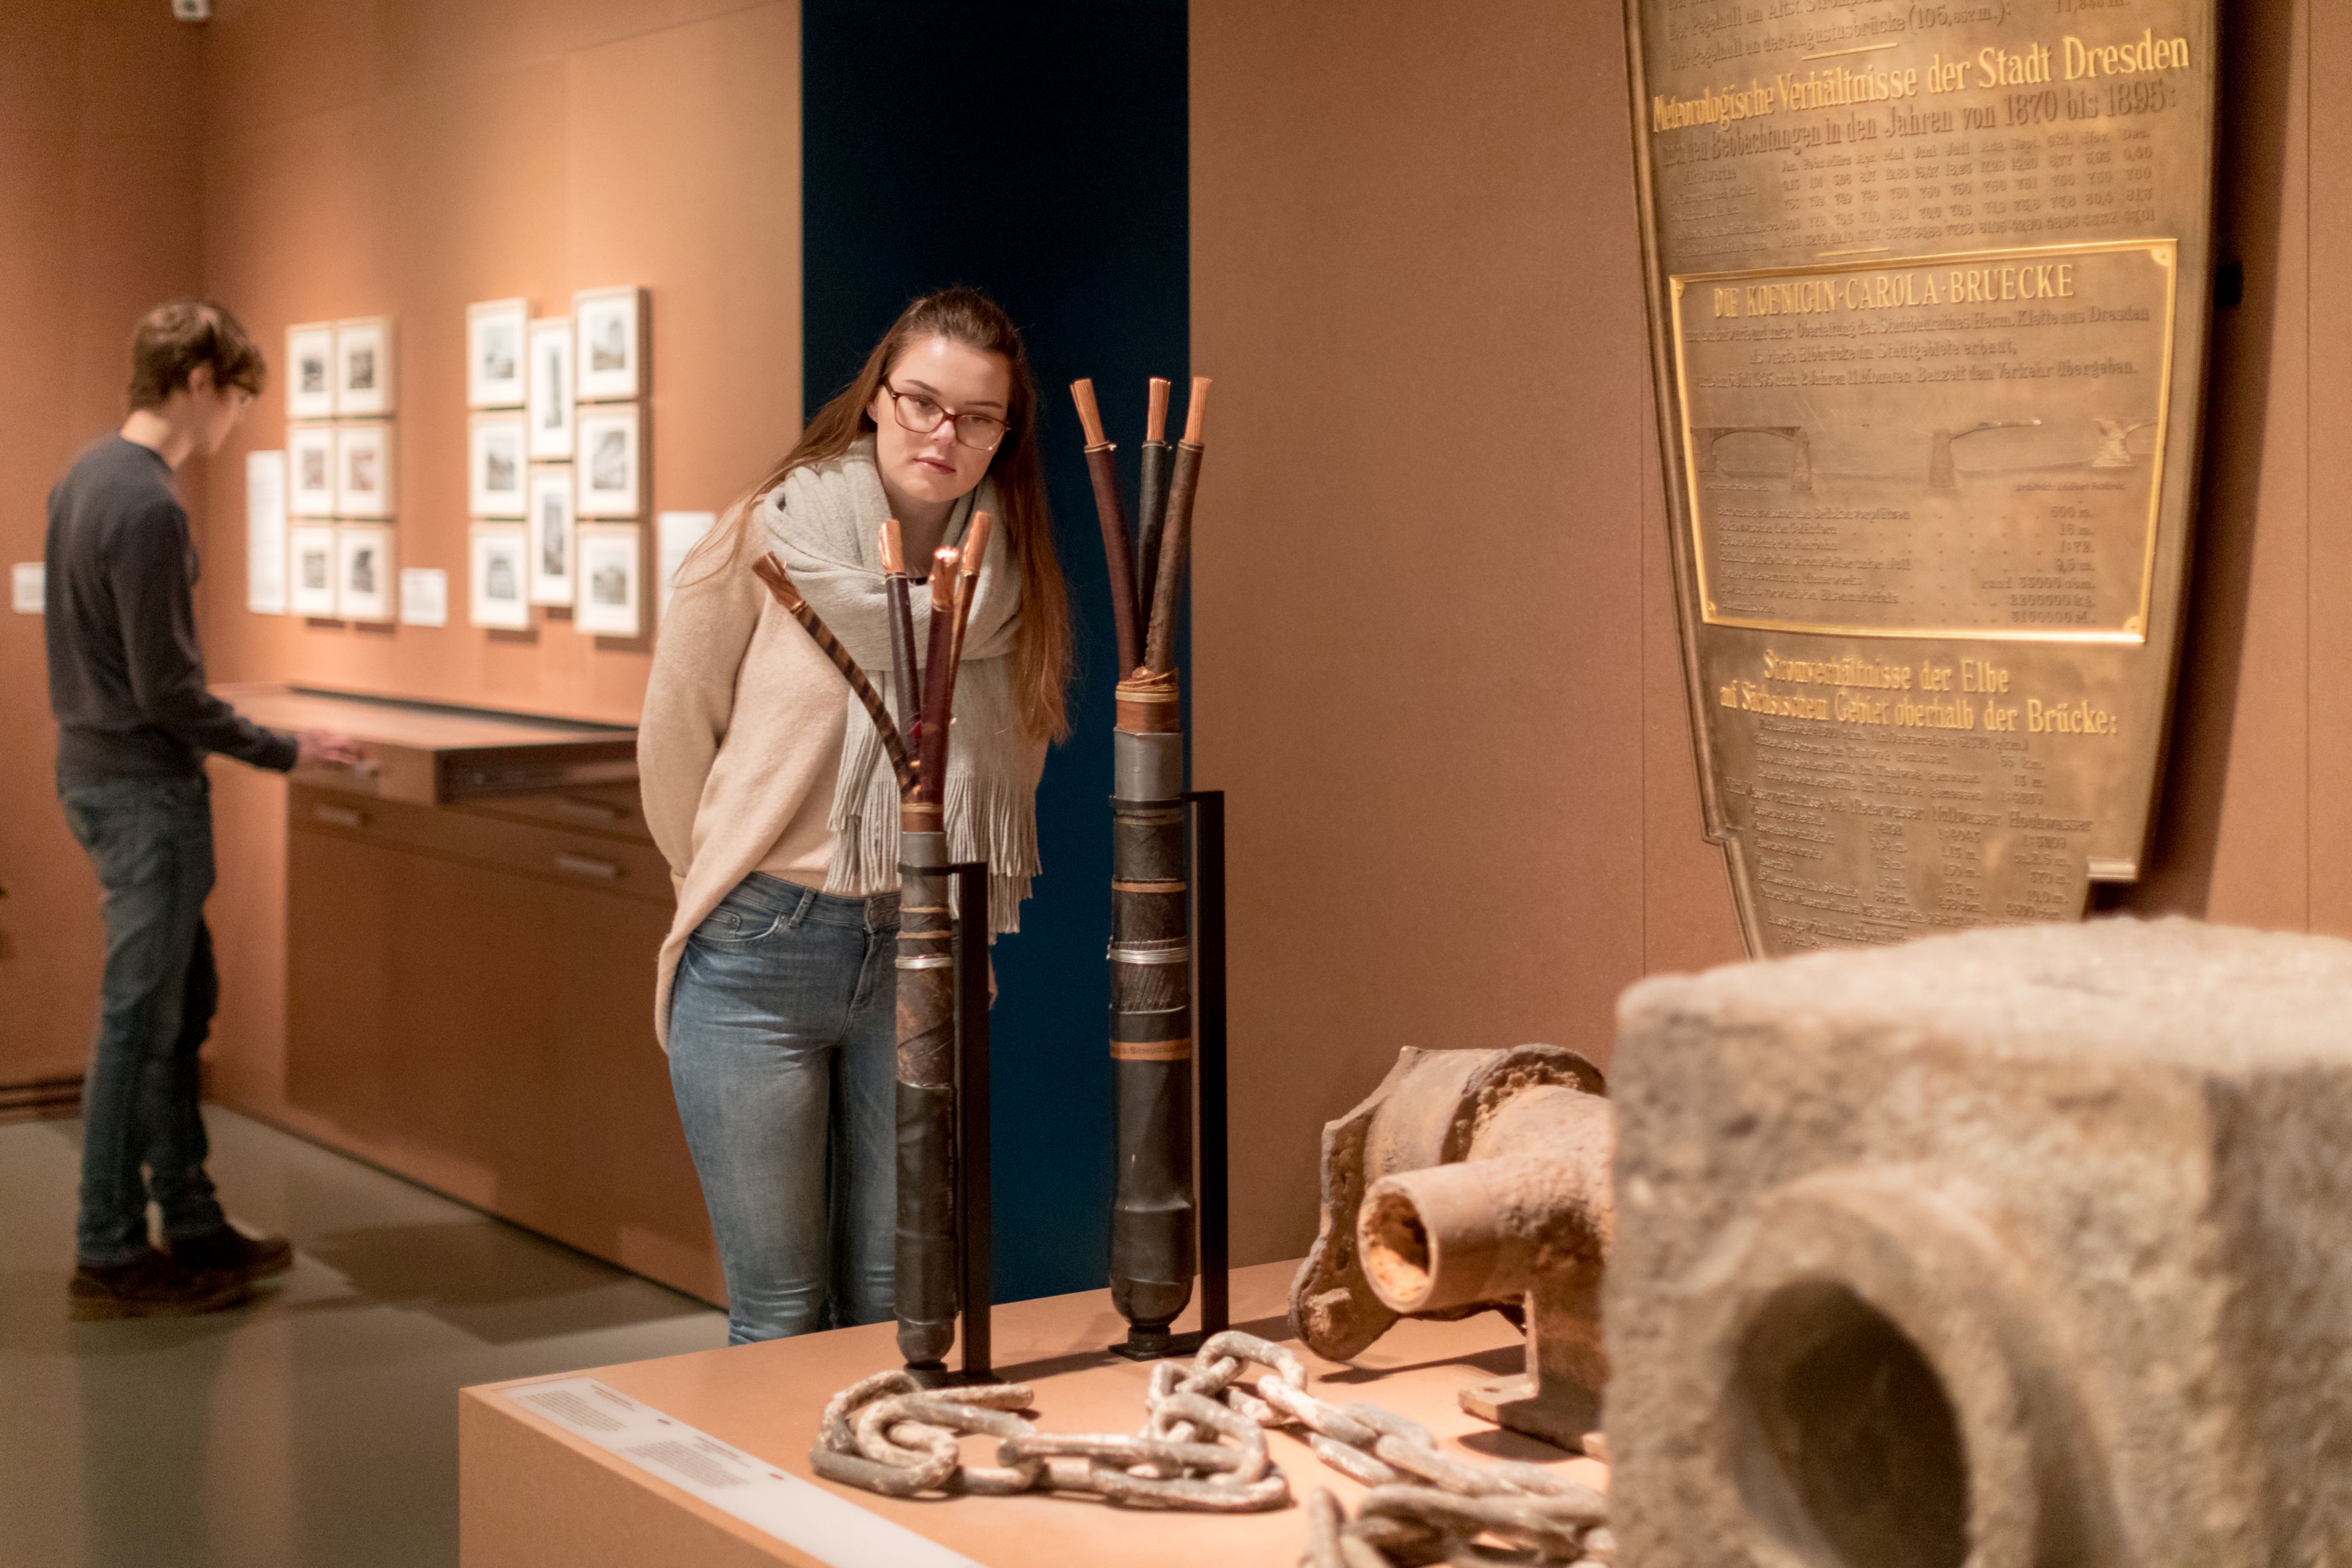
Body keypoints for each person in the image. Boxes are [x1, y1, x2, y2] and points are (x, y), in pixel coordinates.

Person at [641, 287, 1071, 1343]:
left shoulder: (1009, 579)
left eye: (978, 417)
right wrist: (719, 876)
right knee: (781, 1310)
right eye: (923, 401)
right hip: (758, 947)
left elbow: (1016, 750)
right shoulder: (768, 536)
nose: (945, 434)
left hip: (921, 948)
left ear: (1002, 438)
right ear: (878, 399)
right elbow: (674, 738)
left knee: (897, 1301)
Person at [46, 300, 359, 1320]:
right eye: (236, 397)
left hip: (99, 777)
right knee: (141, 1019)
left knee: (179, 1008)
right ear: (197, 382)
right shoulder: (147, 503)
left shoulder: (86, 477)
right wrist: (284, 747)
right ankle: (108, 1244)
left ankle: (188, 1216)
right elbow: (166, 690)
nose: (236, 421)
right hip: (145, 791)